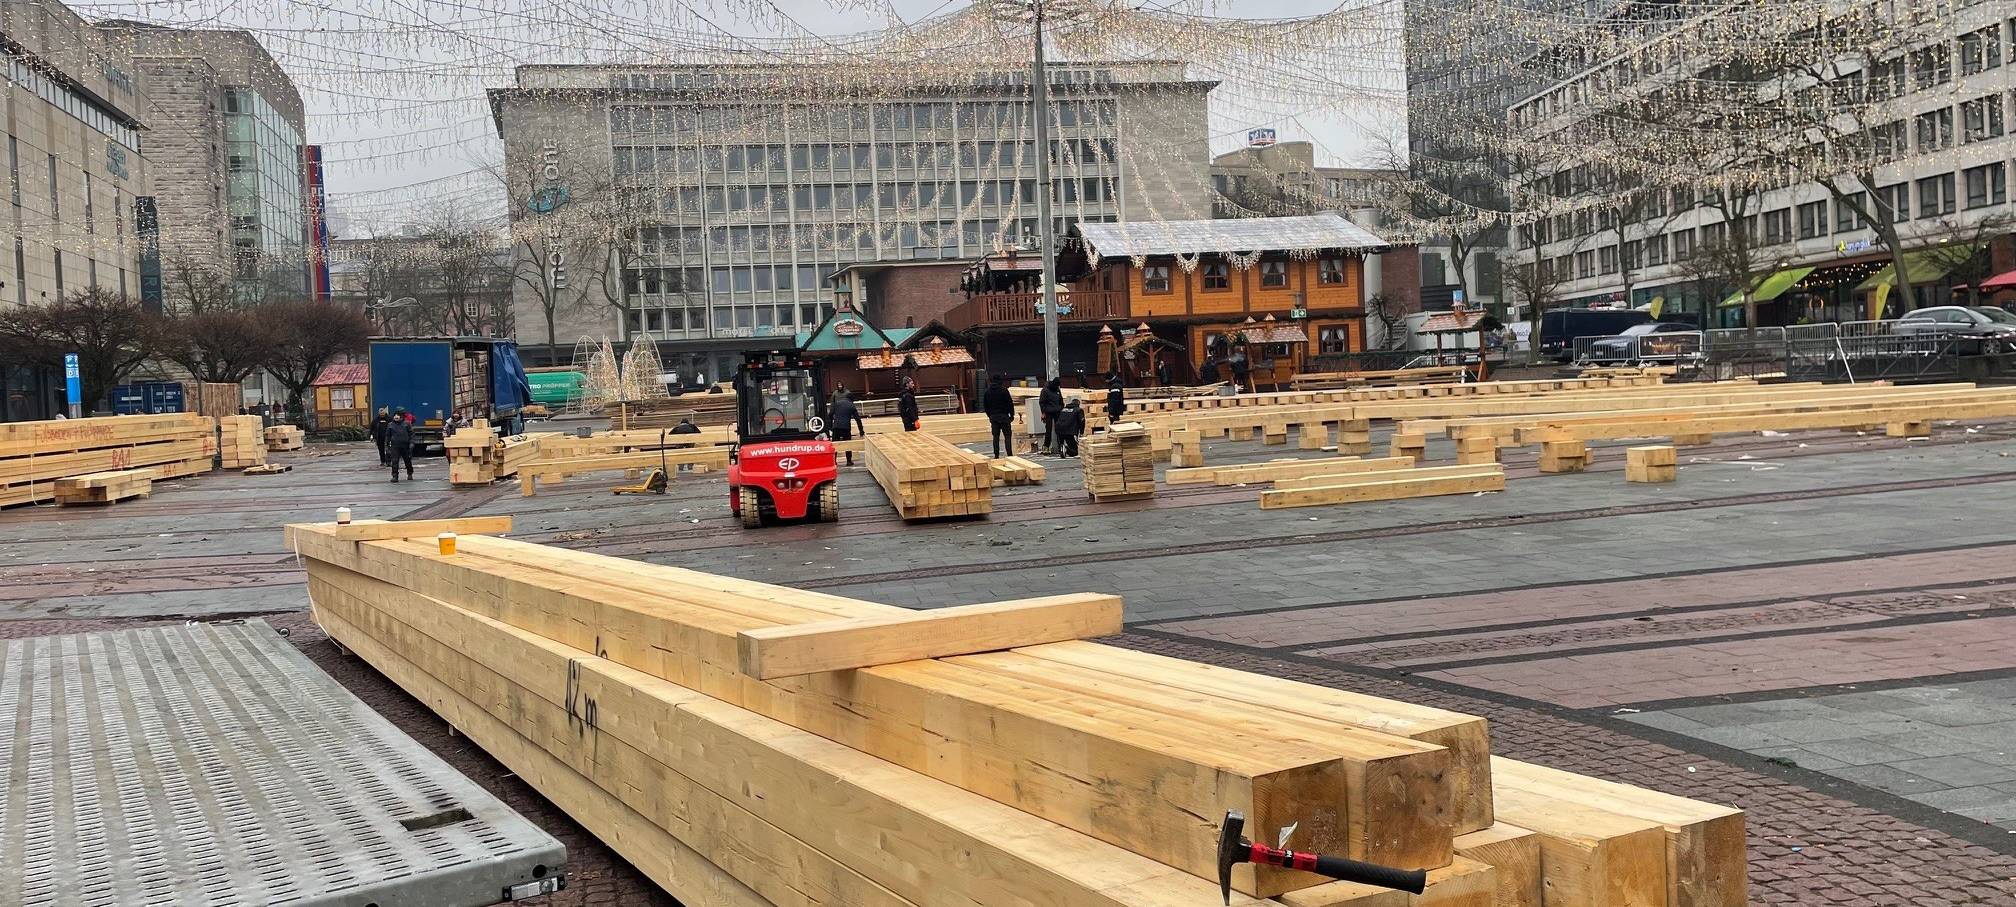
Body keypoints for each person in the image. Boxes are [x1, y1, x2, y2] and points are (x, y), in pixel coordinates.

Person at [828, 388, 866, 465]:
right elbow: (858, 419)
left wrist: (830, 426)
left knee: (835, 445)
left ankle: (833, 461)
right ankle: (849, 461)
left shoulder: (837, 403)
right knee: (848, 444)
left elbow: (830, 414)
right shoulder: (851, 406)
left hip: (836, 427)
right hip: (846, 427)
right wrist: (861, 431)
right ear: (852, 400)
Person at [982, 374, 1016, 458]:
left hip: (994, 417)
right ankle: (1009, 454)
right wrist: (1012, 415)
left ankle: (996, 455)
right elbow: (1010, 404)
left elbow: (985, 406)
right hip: (1004, 416)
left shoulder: (987, 392)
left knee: (995, 437)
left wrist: (990, 415)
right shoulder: (1004, 390)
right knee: (1007, 436)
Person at [385, 407, 415, 483]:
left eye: (398, 415)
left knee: (407, 460)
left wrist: (411, 443)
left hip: (405, 445)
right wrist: (387, 446)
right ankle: (395, 476)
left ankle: (410, 473)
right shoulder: (390, 425)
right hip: (395, 446)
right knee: (394, 461)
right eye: (395, 415)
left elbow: (411, 434)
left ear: (401, 416)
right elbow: (387, 436)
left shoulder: (407, 424)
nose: (396, 417)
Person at [1038, 377, 1064, 454]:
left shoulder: (1057, 390)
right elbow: (1042, 402)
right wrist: (1043, 412)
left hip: (1057, 411)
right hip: (1048, 412)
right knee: (1048, 430)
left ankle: (1061, 446)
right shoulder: (1045, 390)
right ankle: (1046, 446)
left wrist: (1061, 407)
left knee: (1059, 429)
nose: (1057, 387)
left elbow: (1061, 400)